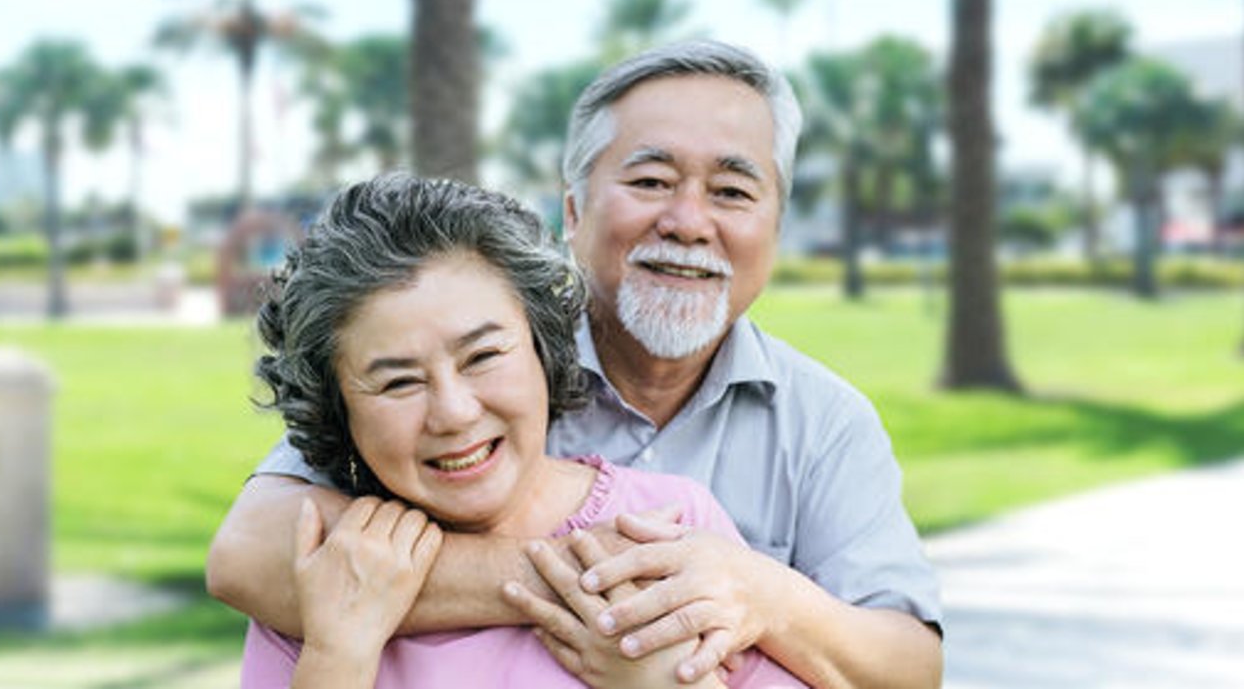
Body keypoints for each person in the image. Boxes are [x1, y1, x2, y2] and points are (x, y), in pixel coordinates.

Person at [209, 40, 943, 688]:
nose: (688, 221)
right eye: (651, 181)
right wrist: (612, 584)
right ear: (572, 210)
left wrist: (759, 592)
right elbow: (252, 553)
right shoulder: (470, 355)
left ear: (775, 229)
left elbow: (908, 669)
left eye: (731, 192)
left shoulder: (824, 424)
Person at [240, 173, 802, 688]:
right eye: (398, 383)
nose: (454, 413)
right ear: (337, 410)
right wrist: (338, 656)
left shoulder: (671, 528)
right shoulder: (333, 570)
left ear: (543, 347)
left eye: (483, 355)